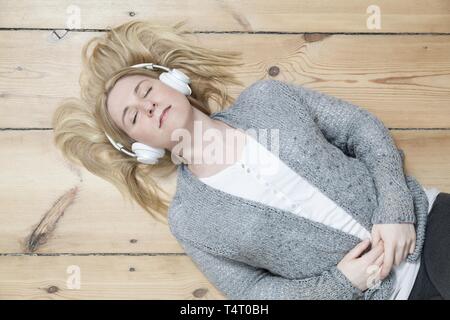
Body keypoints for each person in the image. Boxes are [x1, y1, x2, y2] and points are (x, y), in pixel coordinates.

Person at [51, 19, 446, 300]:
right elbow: (252, 293)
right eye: (132, 117)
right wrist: (343, 283)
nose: (147, 106)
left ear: (172, 80)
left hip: (431, 226)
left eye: (144, 90)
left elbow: (361, 129)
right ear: (139, 147)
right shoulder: (189, 220)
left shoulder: (267, 99)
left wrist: (396, 211)